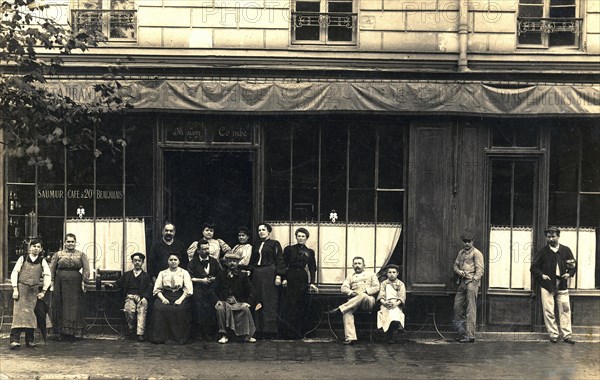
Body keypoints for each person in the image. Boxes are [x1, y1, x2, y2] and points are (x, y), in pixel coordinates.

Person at [531, 226, 577, 344]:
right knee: (549, 310)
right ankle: (553, 334)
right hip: (547, 285)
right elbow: (534, 267)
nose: (551, 239)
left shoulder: (566, 250)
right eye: (548, 237)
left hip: (562, 284)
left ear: (558, 236)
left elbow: (572, 266)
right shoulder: (542, 252)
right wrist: (542, 275)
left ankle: (567, 335)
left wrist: (569, 274)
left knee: (565, 310)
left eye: (553, 236)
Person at [326, 257, 379, 345]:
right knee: (347, 312)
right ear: (352, 266)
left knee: (363, 295)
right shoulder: (350, 276)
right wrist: (351, 293)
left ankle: (339, 309)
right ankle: (350, 338)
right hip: (354, 302)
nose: (357, 266)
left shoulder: (371, 275)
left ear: (364, 265)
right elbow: (343, 288)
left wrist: (365, 291)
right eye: (355, 264)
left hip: (368, 301)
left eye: (359, 263)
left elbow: (377, 287)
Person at [10, 238, 51, 349]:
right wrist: (15, 289)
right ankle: (14, 340)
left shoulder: (42, 261)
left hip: (34, 291)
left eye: (38, 247)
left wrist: (43, 291)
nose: (36, 249)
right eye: (34, 246)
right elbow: (15, 273)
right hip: (21, 289)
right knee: (18, 315)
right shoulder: (22, 259)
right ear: (30, 247)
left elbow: (47, 275)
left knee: (31, 316)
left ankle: (30, 340)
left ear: (41, 249)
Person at [50, 233, 90, 341]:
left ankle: (73, 332)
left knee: (74, 306)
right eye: (68, 241)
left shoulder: (81, 255)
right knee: (61, 305)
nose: (70, 244)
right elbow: (51, 270)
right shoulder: (58, 255)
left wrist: (84, 282)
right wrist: (52, 283)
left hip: (75, 283)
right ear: (64, 243)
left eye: (72, 241)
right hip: (61, 283)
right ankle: (62, 333)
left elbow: (86, 270)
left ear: (75, 243)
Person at [249, 222, 285, 339]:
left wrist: (279, 275)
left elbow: (279, 260)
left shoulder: (274, 244)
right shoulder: (256, 244)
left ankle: (269, 331)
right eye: (259, 230)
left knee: (269, 301)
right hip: (257, 274)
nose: (261, 232)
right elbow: (252, 260)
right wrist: (250, 270)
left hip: (269, 273)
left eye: (263, 230)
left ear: (269, 232)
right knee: (257, 299)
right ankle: (257, 330)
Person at [281, 227, 318, 339]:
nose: (301, 238)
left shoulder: (310, 252)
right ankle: (288, 333)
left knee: (300, 305)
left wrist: (312, 282)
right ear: (296, 237)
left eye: (303, 236)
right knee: (289, 305)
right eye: (299, 236)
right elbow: (283, 264)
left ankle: (300, 333)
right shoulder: (289, 249)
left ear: (306, 238)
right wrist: (284, 278)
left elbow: (312, 268)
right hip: (290, 276)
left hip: (302, 278)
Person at [107, 252, 153, 342]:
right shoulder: (127, 274)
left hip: (141, 298)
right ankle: (131, 330)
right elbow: (118, 283)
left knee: (142, 310)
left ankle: (140, 334)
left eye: (139, 261)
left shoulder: (146, 276)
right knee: (128, 310)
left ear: (142, 262)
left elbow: (150, 288)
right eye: (135, 260)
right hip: (130, 297)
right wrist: (111, 285)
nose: (137, 263)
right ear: (132, 262)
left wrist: (145, 298)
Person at [214, 249, 257, 344]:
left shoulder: (242, 275)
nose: (232, 263)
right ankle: (224, 335)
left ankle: (246, 335)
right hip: (224, 301)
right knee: (220, 309)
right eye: (230, 261)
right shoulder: (221, 274)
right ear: (226, 262)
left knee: (245, 309)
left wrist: (248, 302)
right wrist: (217, 300)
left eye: (234, 261)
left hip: (238, 301)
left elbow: (251, 290)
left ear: (237, 262)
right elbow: (213, 289)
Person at [149, 254, 193, 344]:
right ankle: (160, 338)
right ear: (168, 261)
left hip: (180, 294)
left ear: (179, 261)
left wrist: (180, 300)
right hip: (165, 294)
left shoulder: (184, 272)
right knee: (158, 308)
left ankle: (179, 338)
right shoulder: (162, 273)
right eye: (171, 260)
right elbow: (157, 289)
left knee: (180, 309)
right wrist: (163, 299)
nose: (173, 262)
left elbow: (188, 289)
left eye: (175, 260)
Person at [452, 231, 484, 343]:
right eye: (464, 241)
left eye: (468, 241)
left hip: (471, 284)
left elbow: (480, 271)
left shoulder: (477, 253)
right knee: (457, 307)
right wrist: (459, 272)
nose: (466, 243)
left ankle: (470, 336)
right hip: (461, 283)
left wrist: (473, 282)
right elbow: (455, 265)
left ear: (472, 241)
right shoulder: (460, 253)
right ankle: (462, 334)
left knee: (471, 310)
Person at [187, 239, 221, 341]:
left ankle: (210, 333)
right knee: (198, 308)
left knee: (212, 308)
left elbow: (220, 275)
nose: (207, 251)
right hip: (198, 289)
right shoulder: (193, 262)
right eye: (204, 249)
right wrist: (202, 280)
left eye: (207, 248)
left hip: (212, 290)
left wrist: (214, 279)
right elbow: (189, 277)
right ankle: (199, 333)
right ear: (198, 251)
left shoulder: (214, 261)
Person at [376, 264, 406, 344]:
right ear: (386, 273)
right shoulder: (384, 284)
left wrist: (396, 304)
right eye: (389, 272)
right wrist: (384, 303)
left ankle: (392, 332)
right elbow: (381, 295)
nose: (391, 274)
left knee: (394, 311)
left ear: (397, 273)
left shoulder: (401, 284)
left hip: (396, 304)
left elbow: (402, 297)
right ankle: (395, 328)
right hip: (385, 303)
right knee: (387, 312)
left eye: (394, 272)